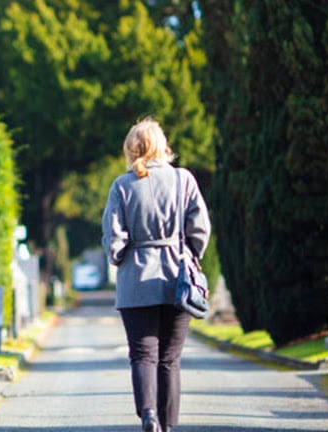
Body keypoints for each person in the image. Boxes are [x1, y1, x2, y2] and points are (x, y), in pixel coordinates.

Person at [102, 118, 210, 432]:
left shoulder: (122, 185)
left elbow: (114, 237)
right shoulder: (184, 180)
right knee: (170, 358)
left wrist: (121, 257)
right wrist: (190, 253)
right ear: (162, 146)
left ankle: (148, 415)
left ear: (131, 149)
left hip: (136, 281)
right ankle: (168, 424)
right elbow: (200, 228)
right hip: (178, 277)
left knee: (142, 354)